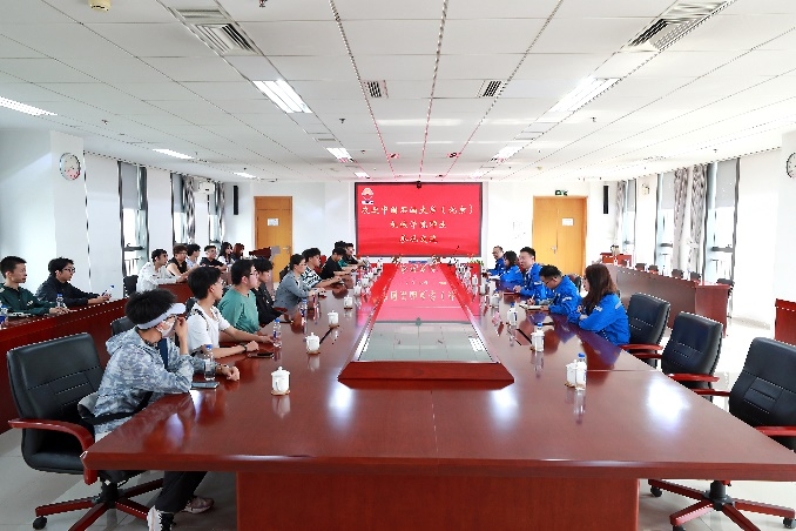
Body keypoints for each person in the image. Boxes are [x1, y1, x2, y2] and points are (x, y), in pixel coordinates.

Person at [91, 289, 239, 531]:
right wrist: (183, 340)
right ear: (160, 324)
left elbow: (182, 362)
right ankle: (163, 510)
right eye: (172, 318)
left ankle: (179, 494)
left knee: (200, 434)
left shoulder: (155, 340)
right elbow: (180, 383)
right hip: (119, 429)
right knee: (198, 445)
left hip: (148, 414)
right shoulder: (132, 356)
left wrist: (218, 368)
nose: (177, 321)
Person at [186, 267, 271, 358]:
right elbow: (210, 353)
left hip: (215, 363)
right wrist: (244, 347)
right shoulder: (197, 319)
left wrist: (261, 338)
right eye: (220, 283)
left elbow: (234, 332)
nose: (222, 287)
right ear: (212, 288)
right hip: (204, 365)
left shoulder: (213, 310)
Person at [569, 263, 630, 345]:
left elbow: (590, 326)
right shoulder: (593, 296)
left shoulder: (610, 301)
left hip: (613, 346)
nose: (583, 281)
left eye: (586, 278)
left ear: (595, 281)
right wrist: (582, 317)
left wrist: (581, 317)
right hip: (597, 339)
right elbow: (571, 315)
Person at [0, 256, 69, 316]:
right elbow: (9, 313)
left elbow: (39, 304)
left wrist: (58, 306)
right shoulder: (1, 293)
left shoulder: (25, 292)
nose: (25, 274)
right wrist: (46, 311)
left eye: (25, 270)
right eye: (22, 271)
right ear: (9, 274)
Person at [218, 259, 269, 335]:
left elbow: (254, 324)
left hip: (254, 337)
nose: (257, 276)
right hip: (243, 341)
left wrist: (261, 336)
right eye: (255, 273)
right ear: (244, 279)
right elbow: (224, 334)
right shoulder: (234, 301)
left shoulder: (250, 293)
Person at [36, 257, 109, 306]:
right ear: (58, 272)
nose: (72, 273)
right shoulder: (46, 287)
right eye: (69, 270)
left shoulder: (66, 285)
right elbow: (62, 302)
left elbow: (82, 294)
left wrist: (99, 297)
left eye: (72, 270)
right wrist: (90, 301)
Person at [252, 258, 281, 326]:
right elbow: (261, 317)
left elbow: (270, 305)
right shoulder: (251, 292)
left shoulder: (262, 286)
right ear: (258, 273)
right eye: (267, 272)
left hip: (271, 322)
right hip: (263, 326)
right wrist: (278, 318)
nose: (269, 275)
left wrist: (283, 311)